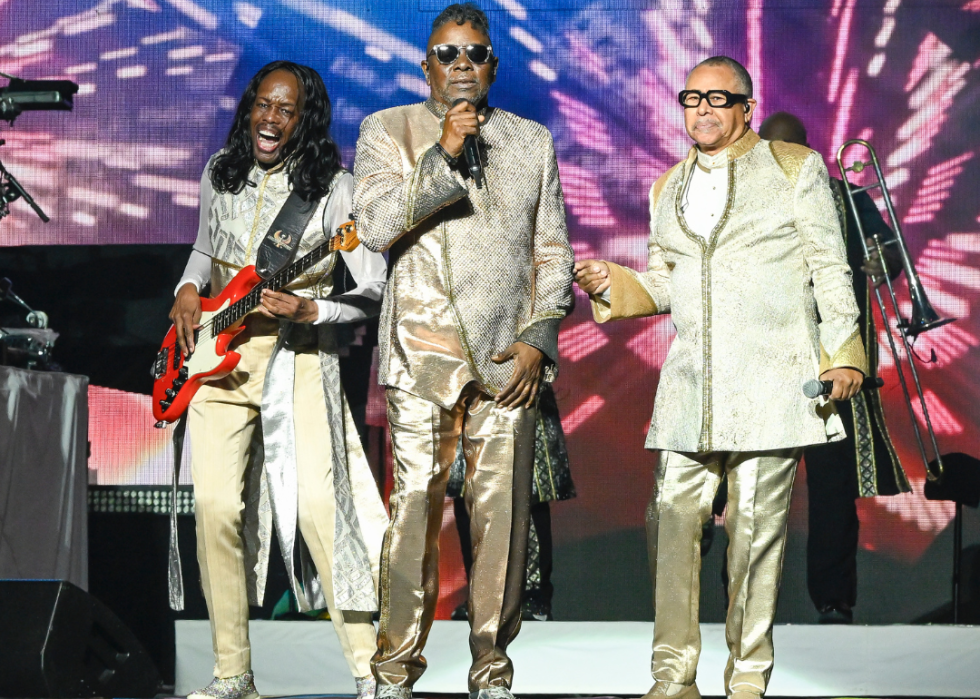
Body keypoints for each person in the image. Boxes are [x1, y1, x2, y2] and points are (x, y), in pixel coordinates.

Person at [574, 56, 866, 699]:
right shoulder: (667, 186)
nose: (702, 110)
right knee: (672, 522)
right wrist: (613, 284)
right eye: (692, 98)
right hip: (691, 387)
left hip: (772, 382)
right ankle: (672, 676)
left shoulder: (793, 168)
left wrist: (843, 350)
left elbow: (829, 264)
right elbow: (666, 282)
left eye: (718, 99)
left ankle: (747, 680)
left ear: (746, 108)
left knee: (756, 538)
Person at [352, 4, 574, 698]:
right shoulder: (386, 129)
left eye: (474, 53)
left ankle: (492, 669)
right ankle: (394, 670)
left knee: (502, 518)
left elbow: (552, 251)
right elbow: (376, 226)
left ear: (492, 66)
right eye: (447, 54)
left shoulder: (529, 140)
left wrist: (539, 335)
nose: (461, 65)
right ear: (426, 64)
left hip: (508, 358)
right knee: (413, 510)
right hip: (421, 348)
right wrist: (444, 151)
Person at [169, 61, 389, 699]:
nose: (270, 118)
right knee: (214, 509)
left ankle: (371, 674)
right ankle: (233, 674)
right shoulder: (220, 170)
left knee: (319, 509)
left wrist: (313, 309)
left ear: (304, 120)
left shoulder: (335, 190)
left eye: (285, 110)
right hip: (217, 361)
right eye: (263, 104)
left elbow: (373, 287)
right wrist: (187, 287)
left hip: (297, 357)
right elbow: (205, 249)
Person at [759, 112, 911, 624]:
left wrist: (883, 263)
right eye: (772, 151)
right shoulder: (744, 198)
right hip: (765, 364)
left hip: (834, 366)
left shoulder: (847, 196)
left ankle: (834, 602)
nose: (781, 160)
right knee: (755, 492)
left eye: (790, 151)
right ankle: (747, 604)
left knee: (833, 491)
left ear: (810, 152)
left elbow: (889, 251)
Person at [449, 382, 576, 622]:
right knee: (468, 485)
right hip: (466, 390)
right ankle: (482, 595)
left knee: (528, 486)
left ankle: (531, 596)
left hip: (519, 386)